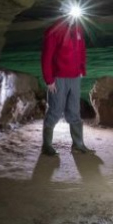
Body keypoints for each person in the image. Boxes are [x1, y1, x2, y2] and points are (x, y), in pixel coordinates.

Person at [40, 15, 94, 156]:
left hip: (75, 77)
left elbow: (81, 50)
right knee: (55, 110)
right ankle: (46, 145)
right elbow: (47, 57)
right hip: (58, 77)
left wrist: (82, 69)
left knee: (74, 111)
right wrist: (49, 80)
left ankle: (78, 144)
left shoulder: (78, 28)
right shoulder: (54, 31)